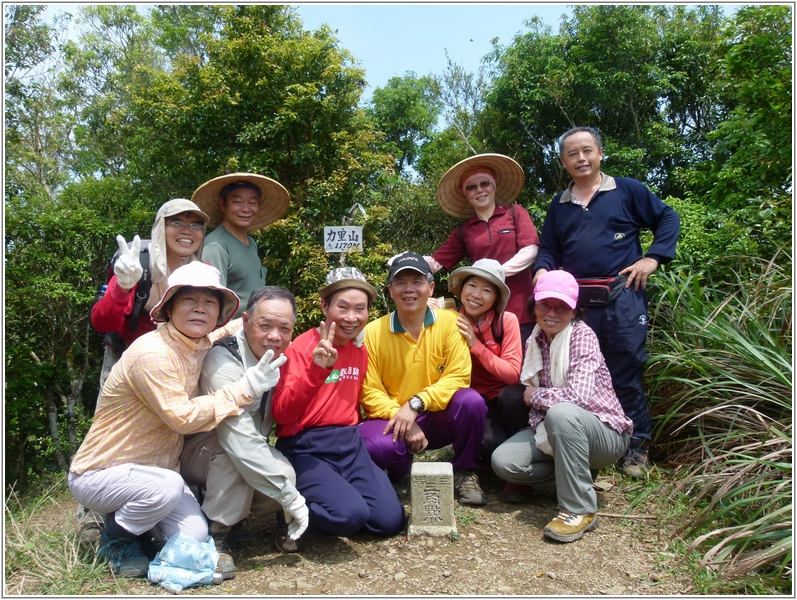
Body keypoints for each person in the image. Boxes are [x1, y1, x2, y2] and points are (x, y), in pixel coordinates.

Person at [68, 262, 287, 578]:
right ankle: (116, 539)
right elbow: (182, 418)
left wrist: (265, 326)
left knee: (195, 535)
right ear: (169, 308)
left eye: (209, 302)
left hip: (156, 473)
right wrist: (245, 389)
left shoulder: (196, 343)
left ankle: (140, 525)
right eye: (189, 300)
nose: (200, 309)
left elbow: (230, 329)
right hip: (102, 472)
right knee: (167, 487)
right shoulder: (153, 353)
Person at [533, 126, 680, 478]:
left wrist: (653, 258)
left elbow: (667, 217)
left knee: (626, 366)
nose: (581, 158)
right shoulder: (560, 204)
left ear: (600, 153)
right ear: (563, 162)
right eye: (572, 154)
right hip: (577, 302)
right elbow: (550, 248)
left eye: (587, 151)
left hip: (623, 293)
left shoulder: (626, 190)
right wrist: (541, 270)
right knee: (580, 371)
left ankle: (636, 448)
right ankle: (591, 443)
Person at [491, 270, 633, 543]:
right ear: (534, 307)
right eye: (545, 304)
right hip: (557, 430)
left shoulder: (582, 336)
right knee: (504, 463)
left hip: (604, 434)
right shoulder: (535, 339)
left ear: (574, 310)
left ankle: (579, 509)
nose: (551, 313)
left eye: (561, 306)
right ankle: (577, 475)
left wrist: (535, 396)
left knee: (562, 411)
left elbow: (577, 398)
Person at [272, 267, 405, 538]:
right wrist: (317, 370)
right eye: (342, 307)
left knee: (389, 521)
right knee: (349, 516)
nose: (351, 317)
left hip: (350, 443)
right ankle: (291, 512)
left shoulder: (359, 349)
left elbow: (358, 400)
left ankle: (340, 500)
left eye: (360, 309)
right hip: (307, 447)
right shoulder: (302, 347)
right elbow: (282, 414)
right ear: (324, 306)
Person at [179, 286, 308, 553]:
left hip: (251, 443)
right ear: (246, 321)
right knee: (236, 460)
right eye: (265, 325)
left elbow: (318, 350)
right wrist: (288, 495)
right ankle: (217, 531)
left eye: (284, 328)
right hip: (205, 448)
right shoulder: (222, 359)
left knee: (286, 473)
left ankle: (246, 517)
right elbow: (234, 434)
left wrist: (354, 338)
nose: (274, 336)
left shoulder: (282, 355)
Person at [359, 252, 488, 506]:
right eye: (400, 282)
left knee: (471, 402)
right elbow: (370, 392)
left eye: (417, 282)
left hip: (437, 417)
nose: (409, 289)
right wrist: (403, 416)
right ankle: (399, 472)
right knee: (374, 446)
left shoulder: (451, 323)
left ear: (430, 288)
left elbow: (458, 377)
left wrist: (415, 404)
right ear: (390, 290)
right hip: (395, 418)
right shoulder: (372, 333)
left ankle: (464, 471)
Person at [91, 198, 209, 405]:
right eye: (177, 223)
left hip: (179, 369)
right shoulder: (139, 265)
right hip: (128, 366)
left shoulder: (204, 272)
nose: (187, 231)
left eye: (195, 225)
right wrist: (123, 286)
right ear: (160, 227)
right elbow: (103, 323)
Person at [424, 154, 541, 349]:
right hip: (484, 314)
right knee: (489, 371)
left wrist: (496, 273)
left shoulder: (515, 213)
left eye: (484, 183)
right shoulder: (465, 230)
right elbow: (435, 262)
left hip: (522, 311)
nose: (479, 190)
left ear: (494, 186)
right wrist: (405, 262)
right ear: (465, 193)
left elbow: (530, 250)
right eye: (471, 186)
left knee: (523, 374)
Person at [446, 259, 523, 463]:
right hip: (474, 401)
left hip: (503, 398)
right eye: (471, 285)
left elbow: (513, 374)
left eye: (487, 290)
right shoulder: (449, 318)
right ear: (462, 288)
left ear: (496, 298)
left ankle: (522, 454)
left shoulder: (506, 321)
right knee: (493, 448)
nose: (476, 295)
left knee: (514, 395)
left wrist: (475, 343)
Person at [192, 172, 290, 317]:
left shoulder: (251, 243)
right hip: (229, 334)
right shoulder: (216, 245)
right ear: (223, 204)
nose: (245, 209)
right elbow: (211, 301)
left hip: (252, 330)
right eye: (237, 202)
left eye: (252, 203)